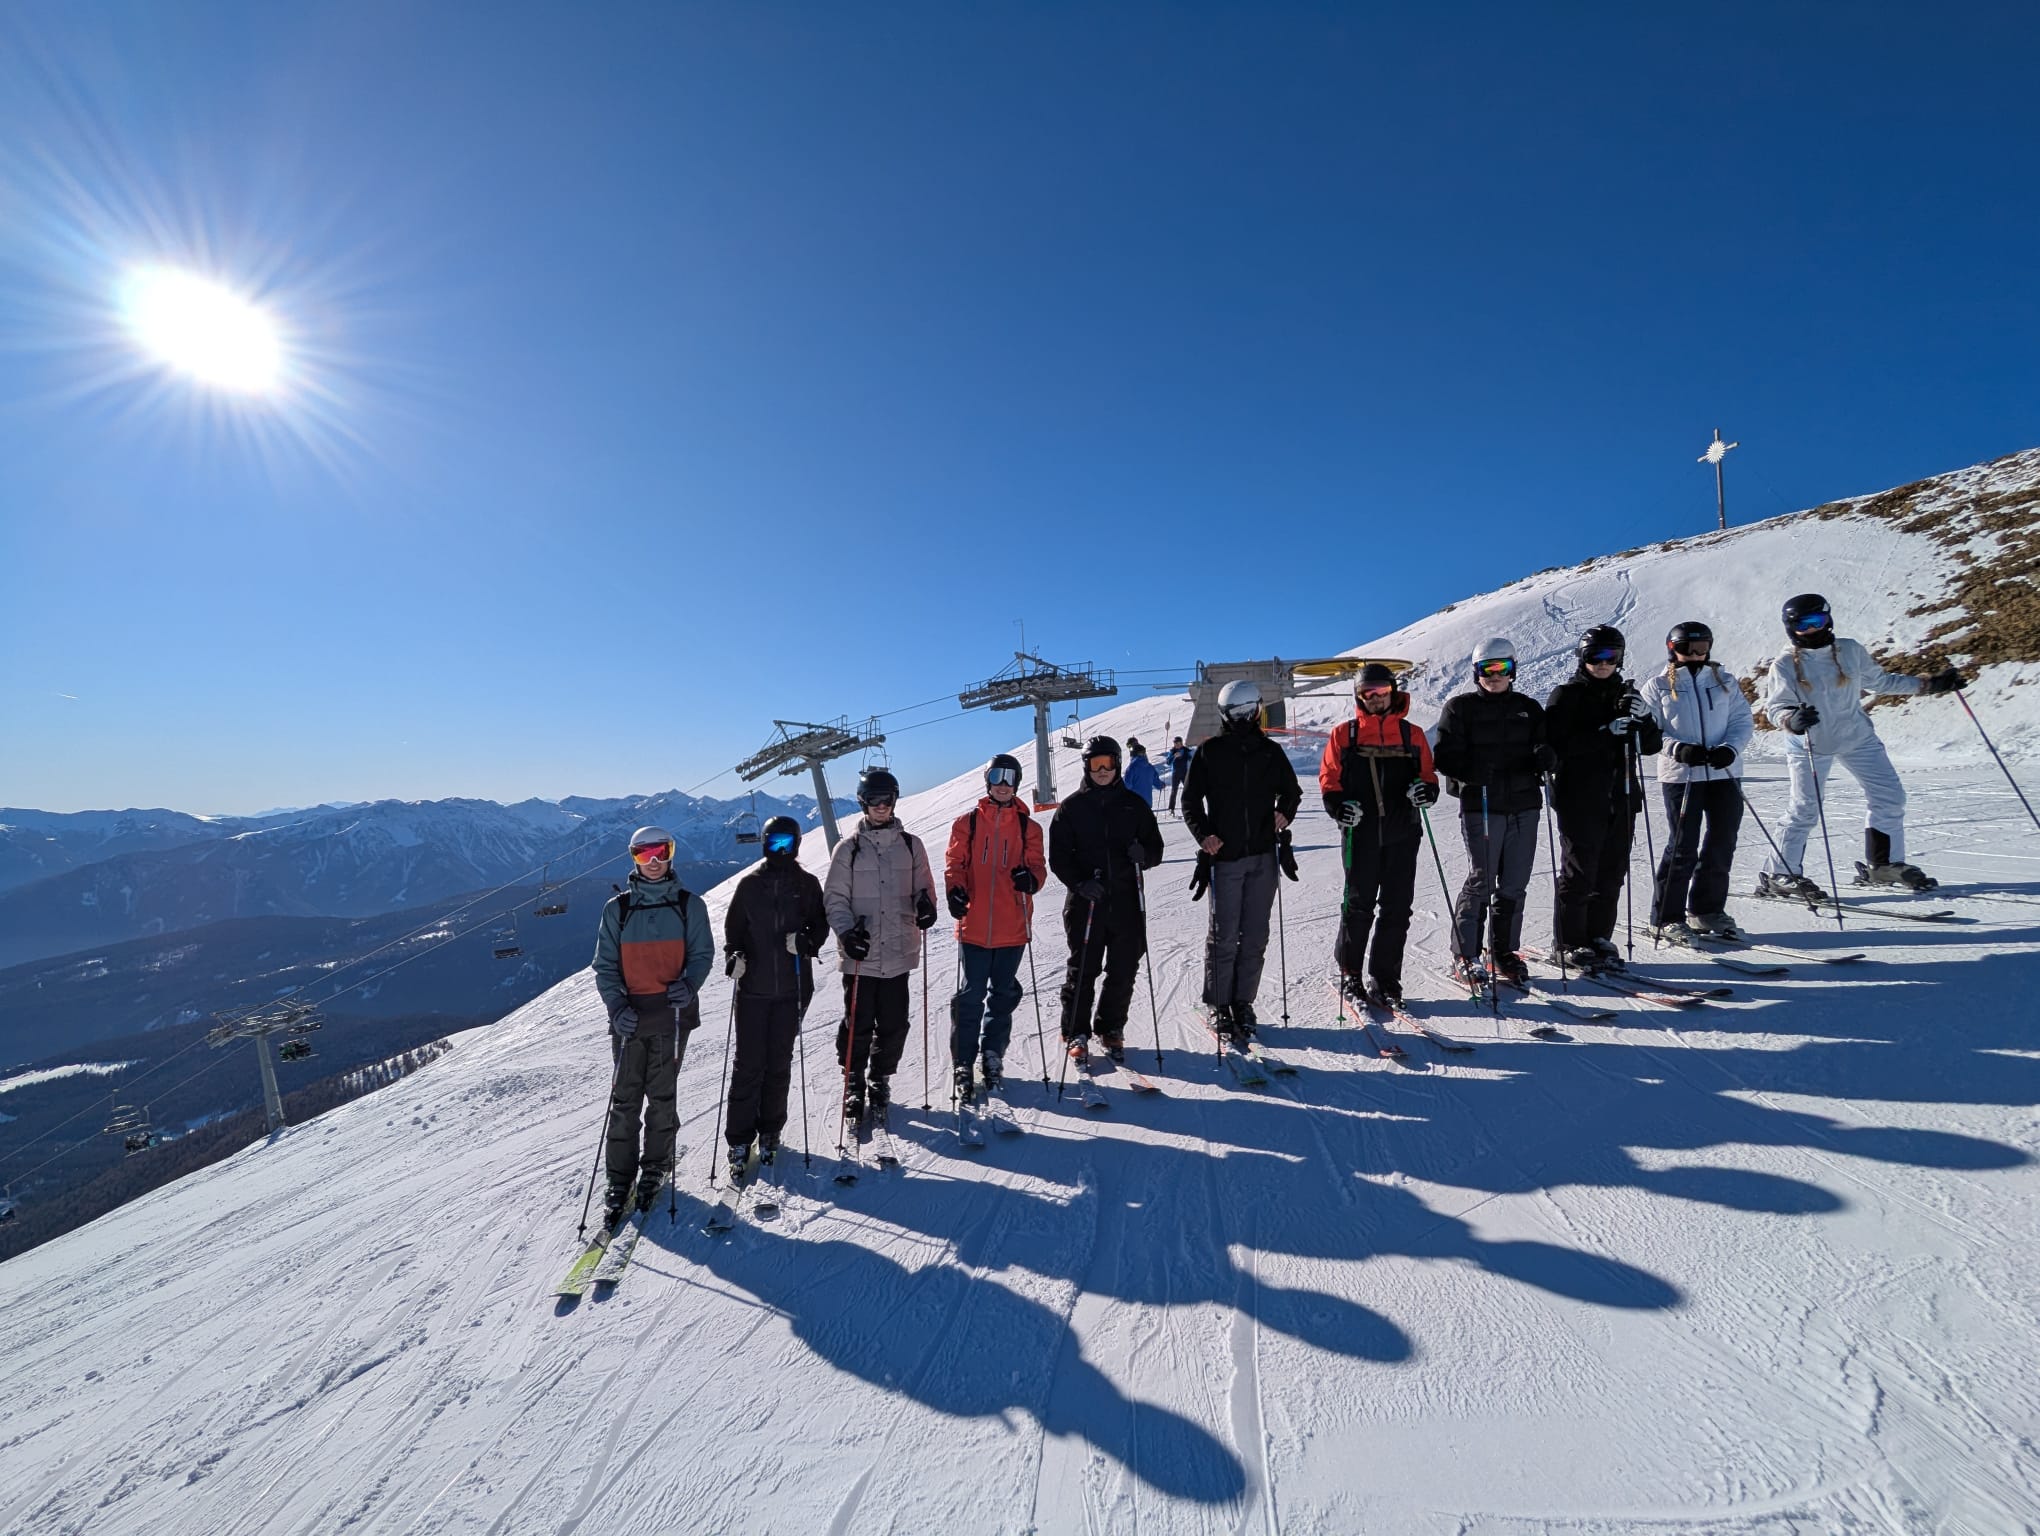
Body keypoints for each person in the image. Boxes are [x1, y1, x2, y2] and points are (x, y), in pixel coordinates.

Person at [1758, 593, 1965, 895]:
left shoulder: (1850, 650)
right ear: (1792, 628)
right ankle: (1780, 874)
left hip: (1856, 737)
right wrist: (1792, 719)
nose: (1812, 629)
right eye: (1803, 624)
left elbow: (1881, 682)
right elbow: (1776, 707)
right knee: (1805, 809)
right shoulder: (1785, 664)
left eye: (1818, 620)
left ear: (1828, 619)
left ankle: (1884, 865)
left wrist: (1929, 685)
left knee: (1890, 797)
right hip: (1811, 743)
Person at [591, 825, 714, 1227]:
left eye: (661, 851)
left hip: (672, 1015)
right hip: (630, 1017)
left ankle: (656, 1165)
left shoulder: (689, 905)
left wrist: (689, 985)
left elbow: (702, 954)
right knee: (625, 1100)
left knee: (662, 1097)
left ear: (672, 853)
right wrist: (616, 1006)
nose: (655, 861)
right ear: (633, 859)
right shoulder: (618, 909)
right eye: (644, 854)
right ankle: (619, 1177)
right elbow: (605, 966)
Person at [1430, 638, 1555, 987]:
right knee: (1482, 879)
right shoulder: (1460, 708)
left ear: (1513, 670)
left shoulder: (1528, 708)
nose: (1495, 675)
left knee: (1515, 883)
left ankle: (1503, 951)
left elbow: (1545, 744)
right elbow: (1444, 756)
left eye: (1502, 668)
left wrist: (1546, 756)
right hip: (1481, 804)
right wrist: (1468, 771)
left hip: (1524, 804)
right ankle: (1466, 954)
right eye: (1487, 669)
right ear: (1476, 672)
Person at [1181, 680, 1302, 1041]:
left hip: (1263, 856)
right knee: (1224, 935)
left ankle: (1242, 1001)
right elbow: (1190, 801)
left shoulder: (1270, 752)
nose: (1244, 718)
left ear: (1258, 710)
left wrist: (1284, 812)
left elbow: (1292, 791)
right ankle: (1219, 1003)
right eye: (1237, 712)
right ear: (1225, 714)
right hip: (1226, 858)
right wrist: (1205, 836)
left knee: (1255, 935)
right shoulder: (1211, 752)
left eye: (1250, 711)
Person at [1319, 663, 1439, 1007]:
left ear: (1392, 691)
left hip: (1403, 832)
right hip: (1361, 833)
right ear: (1359, 697)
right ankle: (1350, 973)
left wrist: (1426, 792)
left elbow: (1427, 776)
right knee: (1358, 906)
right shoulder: (1345, 735)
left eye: (1381, 691)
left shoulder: (1411, 734)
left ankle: (1385, 978)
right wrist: (1338, 807)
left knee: (1397, 908)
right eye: (1367, 693)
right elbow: (1329, 780)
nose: (1375, 698)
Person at [1543, 626, 1663, 970]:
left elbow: (1651, 745)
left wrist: (1644, 719)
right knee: (1579, 872)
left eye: (1611, 656)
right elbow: (1557, 747)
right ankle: (1568, 942)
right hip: (1580, 797)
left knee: (1611, 873)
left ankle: (1598, 937)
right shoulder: (1566, 696)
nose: (1603, 663)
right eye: (1595, 656)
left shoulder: (1626, 694)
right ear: (1583, 658)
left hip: (1621, 796)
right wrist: (1604, 732)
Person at [823, 767, 938, 1121]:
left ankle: (879, 1078)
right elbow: (835, 899)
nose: (881, 805)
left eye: (886, 798)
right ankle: (854, 1081)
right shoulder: (849, 849)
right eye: (874, 799)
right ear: (863, 803)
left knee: (894, 1024)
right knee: (857, 1024)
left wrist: (925, 907)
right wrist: (847, 934)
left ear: (894, 800)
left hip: (899, 951)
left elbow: (925, 888)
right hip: (861, 954)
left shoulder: (911, 845)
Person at [721, 815, 830, 1179]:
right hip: (753, 990)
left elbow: (820, 925)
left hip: (793, 988)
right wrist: (735, 957)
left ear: (796, 845)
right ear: (764, 844)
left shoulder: (807, 884)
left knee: (778, 1062)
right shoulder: (749, 886)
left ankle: (770, 1129)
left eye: (786, 843)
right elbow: (734, 932)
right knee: (748, 1064)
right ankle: (739, 1137)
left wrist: (806, 942)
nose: (779, 850)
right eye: (773, 843)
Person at [1048, 734, 1165, 1064]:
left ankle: (1110, 1027)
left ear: (1117, 764)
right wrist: (1080, 883)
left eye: (1108, 763)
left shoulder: (1133, 805)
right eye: (1095, 764)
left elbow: (1155, 848)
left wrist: (1144, 855)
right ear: (1086, 766)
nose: (1102, 771)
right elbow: (1059, 857)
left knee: (1123, 967)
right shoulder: (1071, 808)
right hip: (1086, 902)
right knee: (1084, 968)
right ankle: (1075, 1031)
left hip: (1126, 900)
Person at [1638, 620, 1753, 940]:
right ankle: (1665, 917)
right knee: (1683, 845)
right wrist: (1678, 749)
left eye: (1702, 648)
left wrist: (1730, 749)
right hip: (1681, 775)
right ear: (1672, 649)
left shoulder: (1724, 681)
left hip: (1723, 772)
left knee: (1722, 841)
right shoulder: (1658, 686)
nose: (1695, 654)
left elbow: (1742, 720)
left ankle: (1707, 910)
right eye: (1686, 648)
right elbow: (1650, 731)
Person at [944, 753, 1048, 1102]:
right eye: (996, 776)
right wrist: (955, 891)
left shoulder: (1028, 827)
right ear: (987, 781)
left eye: (1010, 777)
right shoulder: (968, 823)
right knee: (971, 994)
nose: (1003, 784)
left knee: (1003, 994)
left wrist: (1030, 880)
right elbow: (955, 863)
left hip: (1012, 926)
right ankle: (963, 1061)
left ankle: (992, 1054)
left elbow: (1038, 866)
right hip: (973, 925)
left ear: (1017, 783)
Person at [1122, 739, 1165, 807]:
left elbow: (1127, 785)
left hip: (1134, 803)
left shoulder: (1131, 768)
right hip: (1147, 804)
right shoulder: (1150, 767)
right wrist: (1162, 785)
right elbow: (1157, 783)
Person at [1165, 736, 1192, 814]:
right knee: (1174, 791)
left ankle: (1190, 806)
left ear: (1181, 743)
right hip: (1175, 773)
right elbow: (1168, 762)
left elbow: (1191, 758)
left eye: (1178, 743)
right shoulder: (1172, 751)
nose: (1176, 744)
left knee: (1188, 790)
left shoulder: (1186, 750)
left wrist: (1187, 756)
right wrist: (1174, 756)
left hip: (1184, 773)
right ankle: (1171, 808)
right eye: (1175, 743)